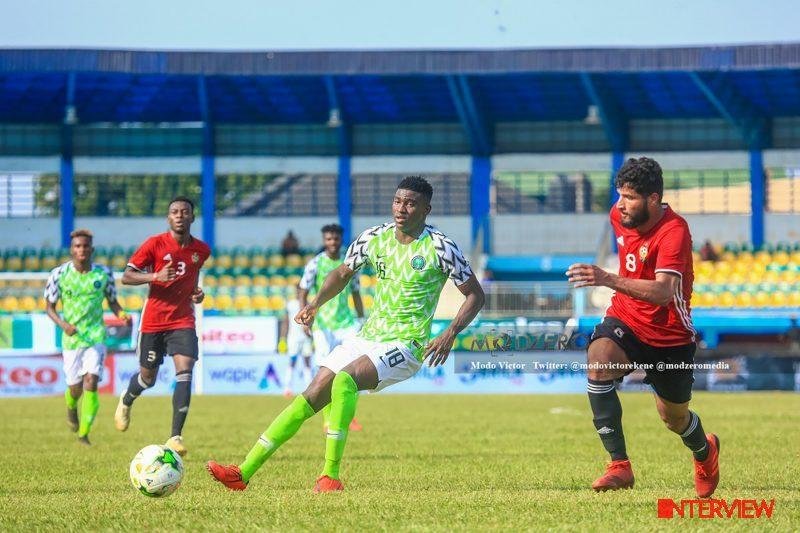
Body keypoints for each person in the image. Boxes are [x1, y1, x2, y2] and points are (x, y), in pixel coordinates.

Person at [207, 176, 485, 493]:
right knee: (310, 395)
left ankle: (330, 476)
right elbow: (342, 273)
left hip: (407, 344)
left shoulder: (441, 247)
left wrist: (450, 332)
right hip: (367, 337)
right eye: (397, 201)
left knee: (345, 380)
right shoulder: (374, 238)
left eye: (410, 203)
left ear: (426, 209)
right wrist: (314, 304)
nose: (401, 208)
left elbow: (475, 294)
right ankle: (242, 473)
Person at [566, 157, 720, 498]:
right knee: (599, 358)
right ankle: (619, 465)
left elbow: (665, 292)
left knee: (674, 420)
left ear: (653, 199)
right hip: (626, 319)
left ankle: (705, 452)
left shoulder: (674, 231)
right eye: (619, 195)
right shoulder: (617, 215)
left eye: (630, 198)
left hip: (669, 336)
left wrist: (606, 278)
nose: (621, 205)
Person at [113, 196, 210, 457]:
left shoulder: (201, 250)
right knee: (147, 378)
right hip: (154, 321)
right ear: (169, 218)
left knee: (185, 370)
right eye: (174, 212)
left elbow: (193, 278)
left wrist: (196, 294)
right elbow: (126, 276)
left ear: (192, 217)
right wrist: (155, 276)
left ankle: (175, 437)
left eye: (185, 211)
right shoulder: (154, 244)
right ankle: (127, 399)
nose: (179, 215)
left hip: (183, 320)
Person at [44, 228, 132, 445]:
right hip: (72, 339)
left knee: (91, 381)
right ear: (72, 250)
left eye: (85, 246)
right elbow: (49, 307)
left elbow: (112, 300)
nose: (81, 249)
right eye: (77, 246)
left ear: (91, 249)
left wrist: (121, 313)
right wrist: (63, 325)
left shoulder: (103, 274)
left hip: (95, 336)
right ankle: (71, 407)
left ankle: (84, 434)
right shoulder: (59, 274)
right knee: (74, 388)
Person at [298, 223, 365, 431]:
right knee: (326, 372)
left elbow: (356, 293)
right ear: (324, 240)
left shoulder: (349, 263)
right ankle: (328, 419)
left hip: (347, 323)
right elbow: (302, 291)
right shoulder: (316, 264)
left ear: (340, 240)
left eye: (335, 238)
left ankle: (347, 416)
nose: (332, 242)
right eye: (328, 239)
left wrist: (362, 320)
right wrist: (305, 315)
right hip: (323, 325)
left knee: (354, 371)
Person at [280, 288, 314, 398]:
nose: (300, 293)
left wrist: (313, 337)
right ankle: (287, 388)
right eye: (298, 291)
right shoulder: (291, 304)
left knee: (307, 362)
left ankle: (308, 389)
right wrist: (282, 338)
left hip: (306, 338)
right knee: (292, 362)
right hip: (293, 337)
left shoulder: (308, 304)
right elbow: (286, 321)